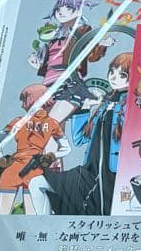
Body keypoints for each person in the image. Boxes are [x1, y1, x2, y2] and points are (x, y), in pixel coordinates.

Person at [29, 53, 132, 215]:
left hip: (112, 177)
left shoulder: (133, 106)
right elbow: (79, 139)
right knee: (37, 183)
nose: (113, 77)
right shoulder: (105, 105)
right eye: (112, 71)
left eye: (122, 75)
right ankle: (45, 224)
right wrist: (84, 109)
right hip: (88, 173)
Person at [27, 0, 113, 125]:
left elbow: (91, 55)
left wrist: (102, 45)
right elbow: (49, 61)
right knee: (52, 126)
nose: (61, 12)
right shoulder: (53, 35)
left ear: (78, 10)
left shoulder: (82, 30)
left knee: (51, 123)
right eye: (58, 9)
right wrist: (37, 63)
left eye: (68, 8)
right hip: (49, 84)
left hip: (69, 82)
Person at [0, 84, 70, 214]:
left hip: (13, 170)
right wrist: (52, 156)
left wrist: (1, 158)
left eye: (24, 100)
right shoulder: (52, 123)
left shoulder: (18, 121)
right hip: (35, 172)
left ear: (33, 100)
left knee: (1, 216)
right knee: (32, 217)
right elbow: (66, 148)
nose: (22, 105)